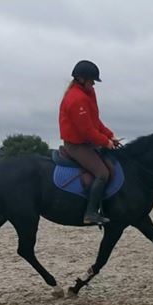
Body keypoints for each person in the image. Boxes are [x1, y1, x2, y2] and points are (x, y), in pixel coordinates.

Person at [59, 60, 122, 225]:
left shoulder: (88, 93)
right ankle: (90, 213)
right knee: (102, 173)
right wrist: (105, 142)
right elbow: (86, 130)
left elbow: (95, 121)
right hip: (76, 145)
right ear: (81, 79)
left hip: (87, 142)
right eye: (91, 80)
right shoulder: (76, 99)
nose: (93, 83)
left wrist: (110, 136)